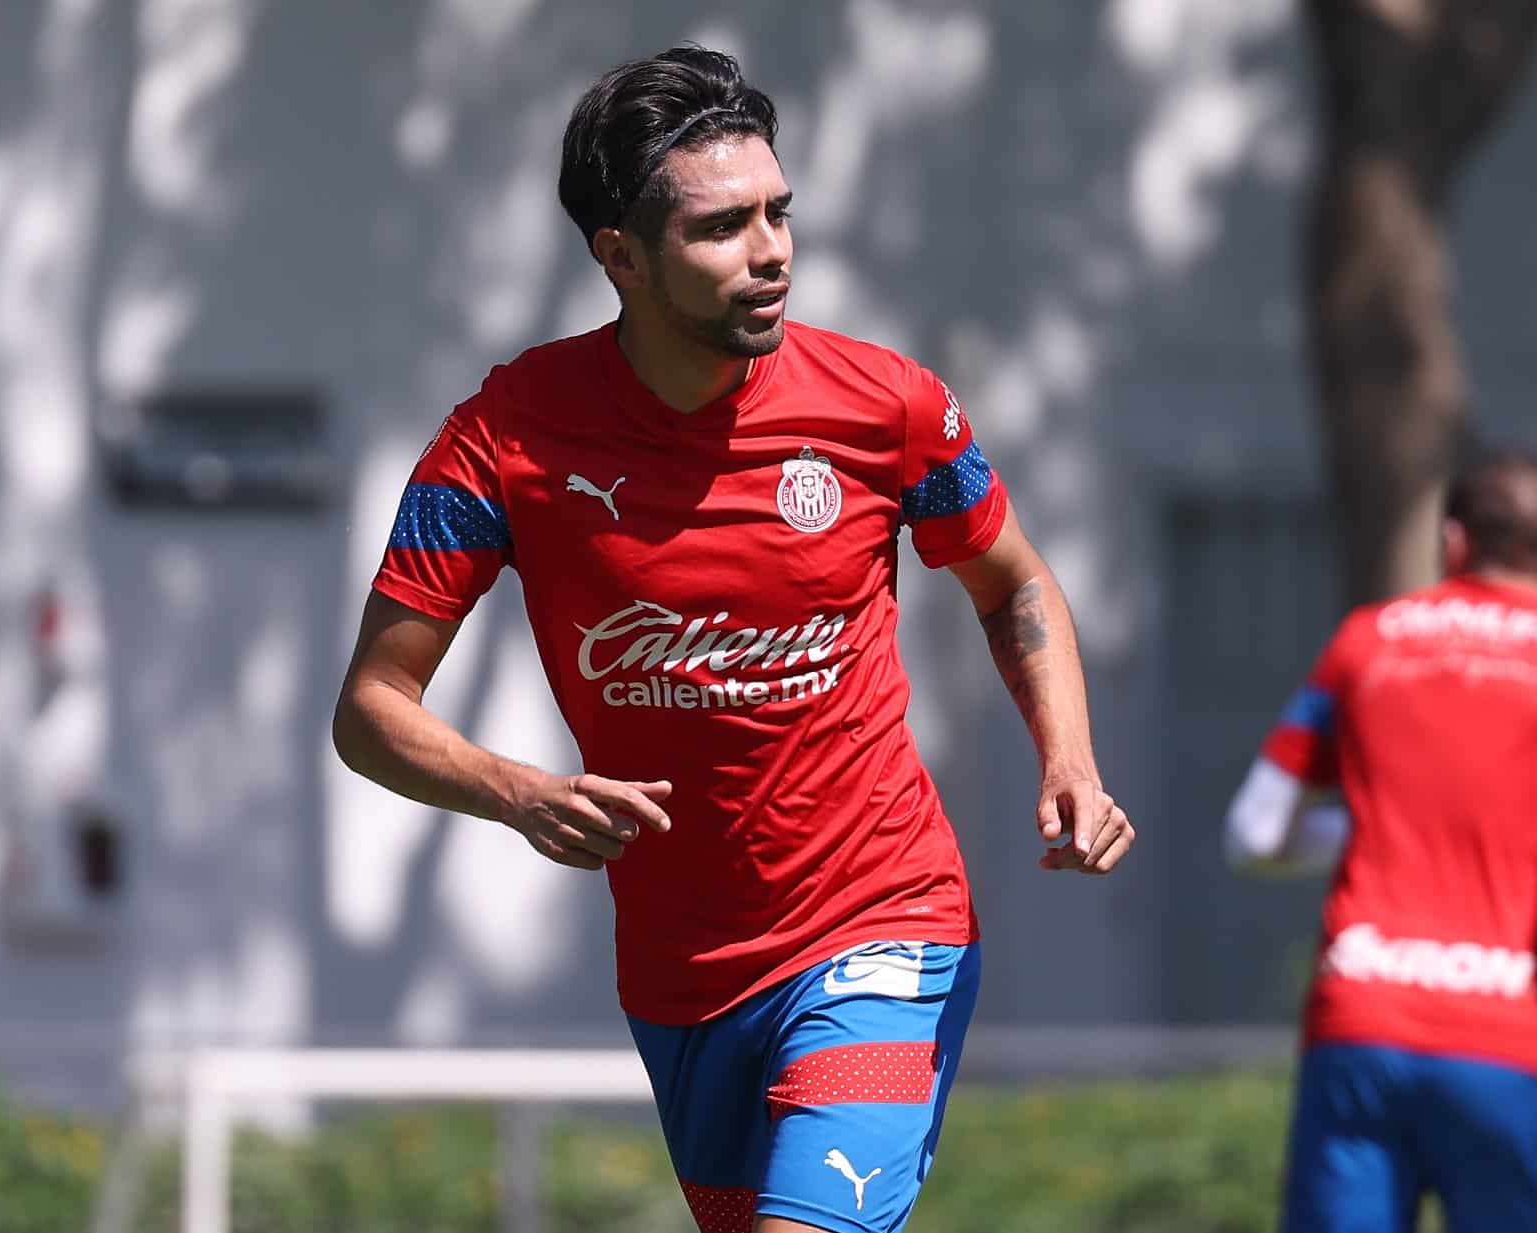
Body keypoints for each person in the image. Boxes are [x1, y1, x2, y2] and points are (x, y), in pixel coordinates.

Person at [331, 45, 1133, 1233]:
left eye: (778, 213)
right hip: (685, 979)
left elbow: (1013, 586)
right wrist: (515, 792)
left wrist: (1068, 759)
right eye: (723, 229)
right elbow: (370, 710)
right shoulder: (504, 441)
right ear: (621, 257)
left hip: (883, 922)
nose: (771, 253)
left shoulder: (887, 407)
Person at [1224, 449, 1537, 1233]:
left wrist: (1370, 827)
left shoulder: (1366, 642)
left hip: (1360, 1018)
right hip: (1508, 1038)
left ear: (1452, 544)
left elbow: (1254, 834)